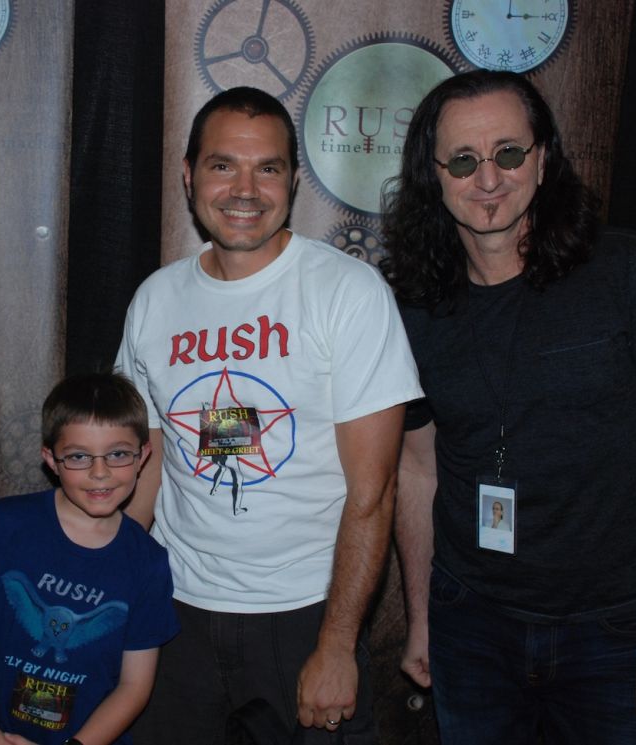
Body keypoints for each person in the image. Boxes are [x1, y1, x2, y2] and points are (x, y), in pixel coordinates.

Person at [381, 69, 636, 744]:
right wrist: (421, 616)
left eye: (509, 153)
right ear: (434, 175)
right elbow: (417, 470)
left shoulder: (630, 272)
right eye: (464, 161)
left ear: (544, 157)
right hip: (470, 624)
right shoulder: (413, 306)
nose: (489, 178)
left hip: (616, 629)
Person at [116, 86, 422, 743]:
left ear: (293, 180)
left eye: (269, 168)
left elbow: (374, 491)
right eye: (223, 165)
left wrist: (338, 644)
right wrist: (107, 587)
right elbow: (146, 464)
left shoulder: (348, 292)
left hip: (305, 612)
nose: (245, 189)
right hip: (176, 611)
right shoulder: (155, 299)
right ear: (189, 174)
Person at [0, 372, 178, 745]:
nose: (99, 473)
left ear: (143, 456)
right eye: (79, 456)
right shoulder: (5, 524)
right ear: (51, 459)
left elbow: (134, 686)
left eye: (117, 454)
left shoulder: (148, 562)